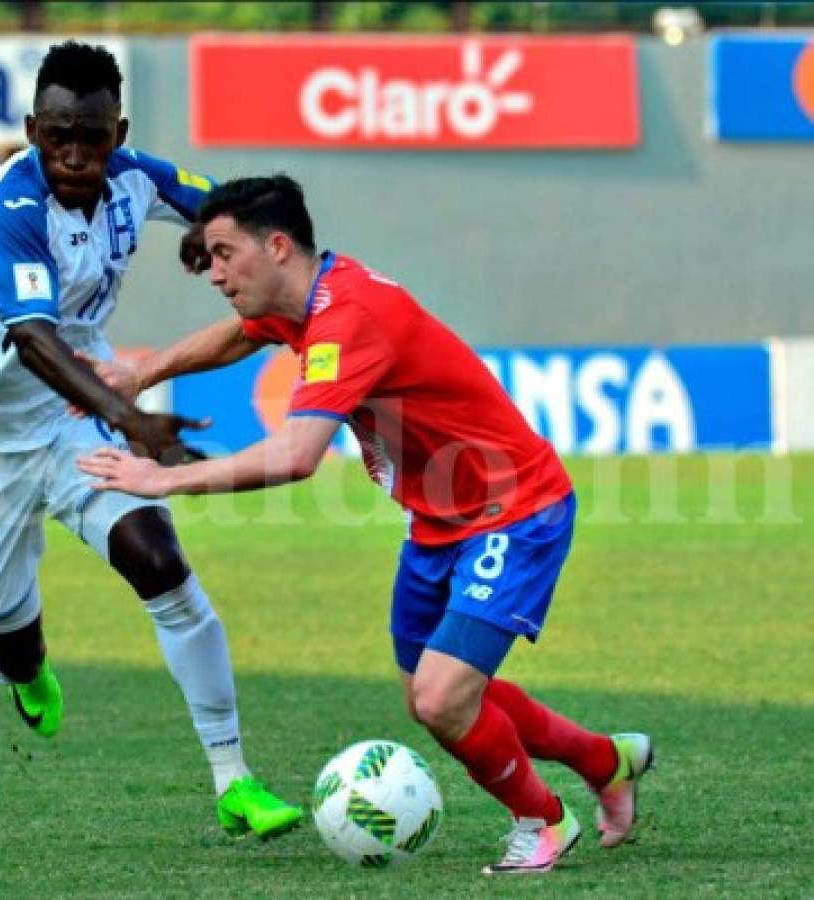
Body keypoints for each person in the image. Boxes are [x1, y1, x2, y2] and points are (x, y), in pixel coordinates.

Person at [77, 175, 654, 875]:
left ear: (278, 246)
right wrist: (140, 374)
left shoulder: (349, 318)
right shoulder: (304, 297)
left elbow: (295, 457)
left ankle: (540, 819)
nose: (215, 273)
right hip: (437, 522)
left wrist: (160, 478)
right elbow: (239, 336)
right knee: (431, 697)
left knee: (443, 698)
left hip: (514, 509)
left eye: (225, 254)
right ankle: (605, 761)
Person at [0, 42, 300, 839]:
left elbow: (225, 203)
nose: (74, 156)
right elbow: (34, 340)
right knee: (12, 641)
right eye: (57, 135)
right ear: (32, 128)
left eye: (91, 138)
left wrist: (214, 233)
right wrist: (133, 420)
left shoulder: (134, 174)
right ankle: (25, 669)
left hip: (71, 424)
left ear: (115, 130)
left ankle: (233, 780)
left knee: (159, 564)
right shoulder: (12, 206)